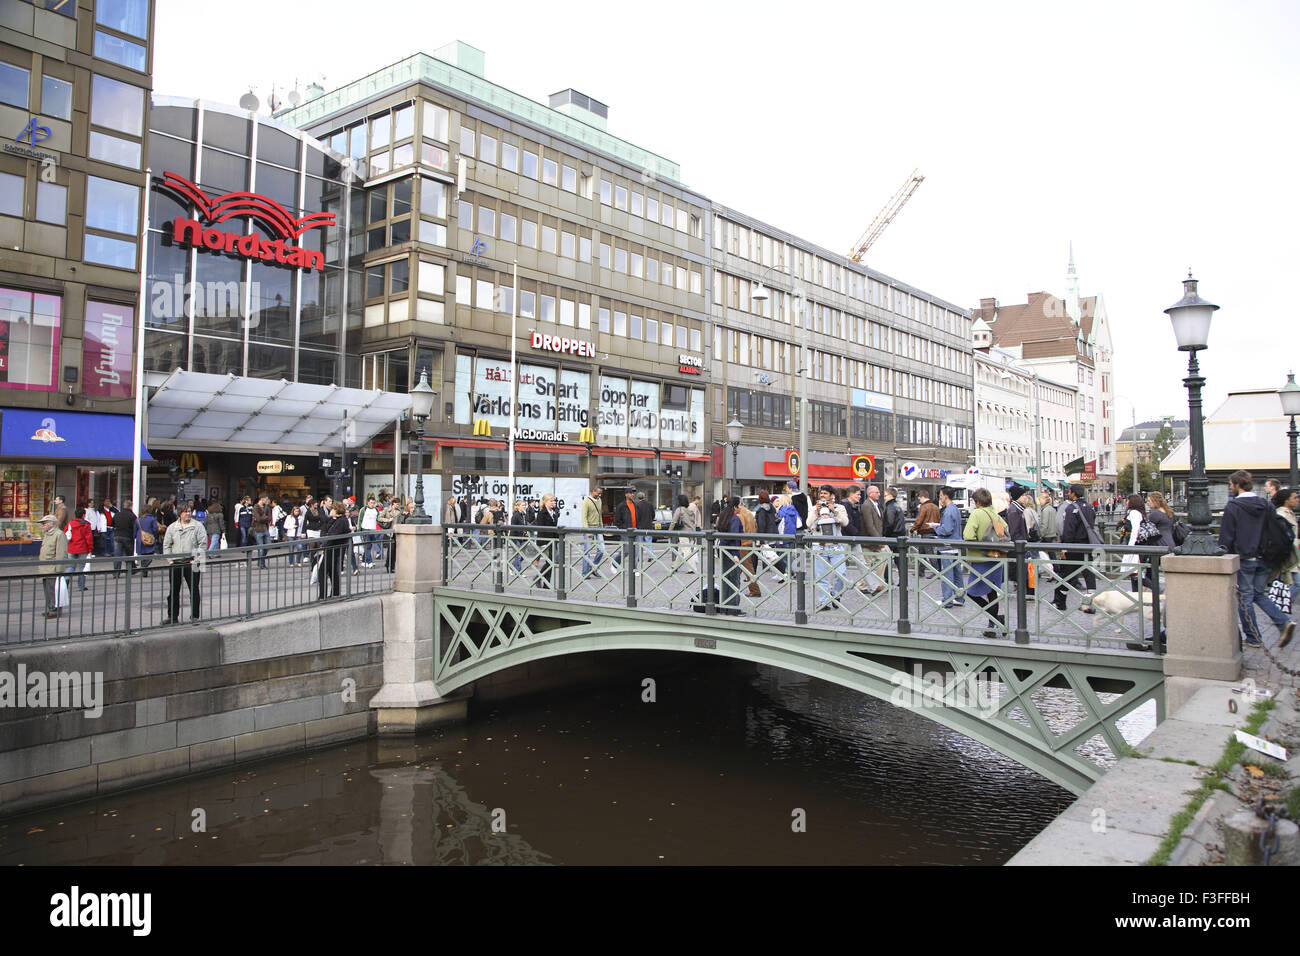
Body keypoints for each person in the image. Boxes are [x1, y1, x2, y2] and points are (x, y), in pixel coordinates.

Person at [1219, 470, 1295, 648]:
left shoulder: (1233, 507)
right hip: (1265, 557)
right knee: (1258, 594)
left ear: (1237, 485)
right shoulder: (1265, 504)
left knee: (1245, 598)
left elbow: (1226, 538)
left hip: (1245, 557)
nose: (1230, 488)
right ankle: (1283, 622)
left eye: (1231, 484)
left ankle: (1253, 637)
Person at [963, 488, 1008, 637]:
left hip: (981, 559)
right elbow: (1006, 530)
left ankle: (996, 620)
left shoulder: (977, 513)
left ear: (977, 502)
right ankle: (992, 626)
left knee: (971, 593)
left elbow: (968, 535)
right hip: (996, 558)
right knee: (992, 592)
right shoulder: (995, 514)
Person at [1052, 484, 1098, 614]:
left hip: (1074, 545)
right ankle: (1090, 602)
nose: (1068, 493)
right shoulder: (1090, 507)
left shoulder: (1071, 508)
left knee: (1067, 574)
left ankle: (1061, 602)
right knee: (1089, 574)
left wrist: (1065, 547)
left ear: (1073, 493)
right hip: (1087, 545)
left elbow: (1069, 530)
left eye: (1069, 492)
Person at [162, 502, 206, 624]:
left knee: (194, 590)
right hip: (176, 563)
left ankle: (195, 616)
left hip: (192, 562)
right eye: (185, 511)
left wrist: (196, 560)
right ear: (179, 513)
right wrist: (170, 560)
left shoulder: (197, 526)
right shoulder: (172, 527)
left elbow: (202, 544)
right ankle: (172, 617)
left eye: (189, 511)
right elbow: (167, 545)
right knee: (173, 591)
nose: (188, 513)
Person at [810, 484, 848, 610]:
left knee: (841, 574)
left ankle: (836, 595)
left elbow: (845, 522)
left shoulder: (840, 507)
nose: (822, 496)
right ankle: (824, 601)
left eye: (825, 493)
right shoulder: (814, 508)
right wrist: (816, 512)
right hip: (819, 546)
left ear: (832, 496)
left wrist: (834, 511)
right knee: (821, 576)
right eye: (821, 494)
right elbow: (808, 524)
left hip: (836, 546)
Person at [935, 487, 966, 607]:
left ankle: (947, 599)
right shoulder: (955, 509)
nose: (940, 498)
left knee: (947, 573)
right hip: (955, 544)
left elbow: (946, 529)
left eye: (941, 495)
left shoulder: (948, 511)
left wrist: (936, 528)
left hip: (947, 546)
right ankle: (959, 597)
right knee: (957, 573)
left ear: (945, 496)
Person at [1272, 487, 1300, 614]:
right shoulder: (1282, 514)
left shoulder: (1290, 513)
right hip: (1287, 556)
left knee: (1283, 584)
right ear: (1286, 500)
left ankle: (1278, 609)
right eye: (1295, 497)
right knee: (1296, 583)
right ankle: (1277, 609)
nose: (1297, 500)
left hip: (1292, 556)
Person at [716, 497, 744, 614]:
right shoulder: (735, 519)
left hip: (722, 551)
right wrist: (735, 554)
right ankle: (733, 609)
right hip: (732, 552)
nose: (742, 507)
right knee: (734, 580)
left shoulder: (723, 516)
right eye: (740, 505)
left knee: (725, 579)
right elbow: (734, 537)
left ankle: (724, 607)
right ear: (735, 507)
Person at [318, 503, 351, 599]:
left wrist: (323, 546)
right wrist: (333, 519)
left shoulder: (342, 521)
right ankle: (335, 593)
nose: (331, 511)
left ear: (337, 510)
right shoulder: (338, 520)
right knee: (332, 571)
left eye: (333, 510)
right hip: (332, 548)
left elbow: (333, 535)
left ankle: (323, 595)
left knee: (322, 571)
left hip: (332, 549)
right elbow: (326, 527)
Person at [39, 513, 69, 619]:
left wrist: (59, 569)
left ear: (52, 523)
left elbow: (61, 553)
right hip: (45, 568)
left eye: (45, 523)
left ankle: (54, 610)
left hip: (53, 568)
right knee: (47, 590)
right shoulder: (47, 534)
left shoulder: (59, 534)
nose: (43, 525)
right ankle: (50, 608)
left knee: (53, 590)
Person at [580, 487, 610, 579]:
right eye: (598, 493)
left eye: (601, 494)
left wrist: (601, 527)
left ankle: (594, 568)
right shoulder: (586, 501)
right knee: (587, 551)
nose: (599, 495)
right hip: (589, 528)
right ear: (593, 491)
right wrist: (587, 530)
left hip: (597, 528)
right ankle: (585, 573)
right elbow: (583, 517)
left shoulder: (599, 500)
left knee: (602, 550)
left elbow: (599, 515)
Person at [735, 495, 762, 598]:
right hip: (750, 542)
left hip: (743, 543)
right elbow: (755, 527)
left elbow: (740, 529)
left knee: (747, 568)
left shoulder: (740, 514)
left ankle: (755, 590)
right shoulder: (749, 513)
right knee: (745, 567)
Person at [533, 493, 559, 589]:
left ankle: (545, 584)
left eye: (554, 501)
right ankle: (539, 578)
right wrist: (543, 543)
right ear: (545, 502)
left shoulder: (554, 512)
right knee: (550, 562)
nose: (553, 502)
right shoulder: (541, 513)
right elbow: (541, 529)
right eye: (551, 501)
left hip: (553, 540)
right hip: (545, 540)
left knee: (551, 563)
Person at [65, 506, 94, 591]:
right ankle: (81, 586)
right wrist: (90, 549)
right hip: (83, 548)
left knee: (70, 566)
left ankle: (66, 581)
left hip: (71, 548)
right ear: (83, 515)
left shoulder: (70, 523)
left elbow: (66, 534)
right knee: (82, 568)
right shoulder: (86, 524)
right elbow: (89, 538)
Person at [671, 493, 699, 573]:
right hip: (690, 532)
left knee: (686, 550)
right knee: (681, 549)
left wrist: (668, 532)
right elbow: (693, 523)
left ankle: (692, 568)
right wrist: (694, 534)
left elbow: (673, 522)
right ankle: (675, 566)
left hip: (683, 532)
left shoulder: (679, 510)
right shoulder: (689, 510)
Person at [134, 502, 161, 577]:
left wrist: (136, 537)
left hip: (140, 539)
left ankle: (144, 570)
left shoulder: (138, 520)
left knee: (143, 556)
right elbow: (155, 529)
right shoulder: (152, 519)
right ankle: (144, 568)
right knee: (150, 555)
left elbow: (135, 530)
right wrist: (154, 536)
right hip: (149, 538)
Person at [111, 500, 136, 576]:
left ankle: (116, 572)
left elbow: (112, 524)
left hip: (117, 535)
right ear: (130, 506)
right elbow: (135, 526)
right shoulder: (132, 516)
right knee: (129, 554)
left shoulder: (117, 514)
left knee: (117, 555)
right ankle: (131, 570)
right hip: (128, 536)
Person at [251, 495, 271, 569]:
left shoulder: (267, 508)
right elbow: (258, 518)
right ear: (262, 499)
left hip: (265, 528)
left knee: (268, 545)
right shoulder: (256, 507)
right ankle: (261, 563)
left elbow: (269, 518)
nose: (267, 501)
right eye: (266, 499)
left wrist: (263, 518)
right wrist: (265, 518)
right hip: (258, 529)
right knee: (261, 547)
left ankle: (261, 560)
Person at [360, 496, 380, 568]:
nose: (372, 504)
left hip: (373, 530)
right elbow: (360, 519)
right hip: (366, 530)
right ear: (368, 503)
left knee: (369, 546)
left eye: (373, 503)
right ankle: (370, 561)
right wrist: (360, 530)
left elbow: (378, 519)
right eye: (371, 503)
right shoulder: (363, 509)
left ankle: (363, 561)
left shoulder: (376, 510)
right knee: (367, 546)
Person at [634, 491, 655, 559]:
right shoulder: (650, 504)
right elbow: (653, 514)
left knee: (639, 543)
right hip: (648, 525)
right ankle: (651, 556)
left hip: (640, 527)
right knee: (649, 541)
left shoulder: (637, 505)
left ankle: (639, 557)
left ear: (637, 498)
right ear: (644, 497)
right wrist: (650, 520)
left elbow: (636, 517)